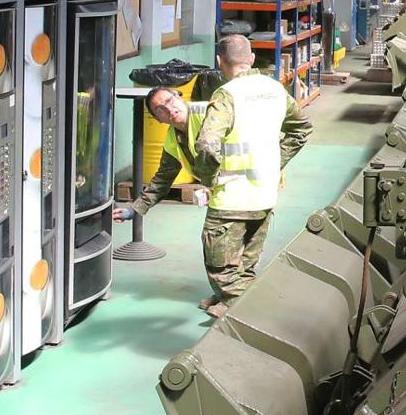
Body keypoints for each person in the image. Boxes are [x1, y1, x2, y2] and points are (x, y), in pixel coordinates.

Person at [114, 35, 311, 317]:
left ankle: (248, 311)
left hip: (234, 196)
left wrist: (209, 182)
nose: (169, 108)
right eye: (160, 109)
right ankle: (226, 298)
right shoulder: (174, 139)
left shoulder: (213, 106)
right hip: (262, 192)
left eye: (170, 99)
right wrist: (136, 209)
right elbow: (162, 179)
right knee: (242, 260)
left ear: (180, 96)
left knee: (219, 263)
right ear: (156, 119)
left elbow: (208, 145)